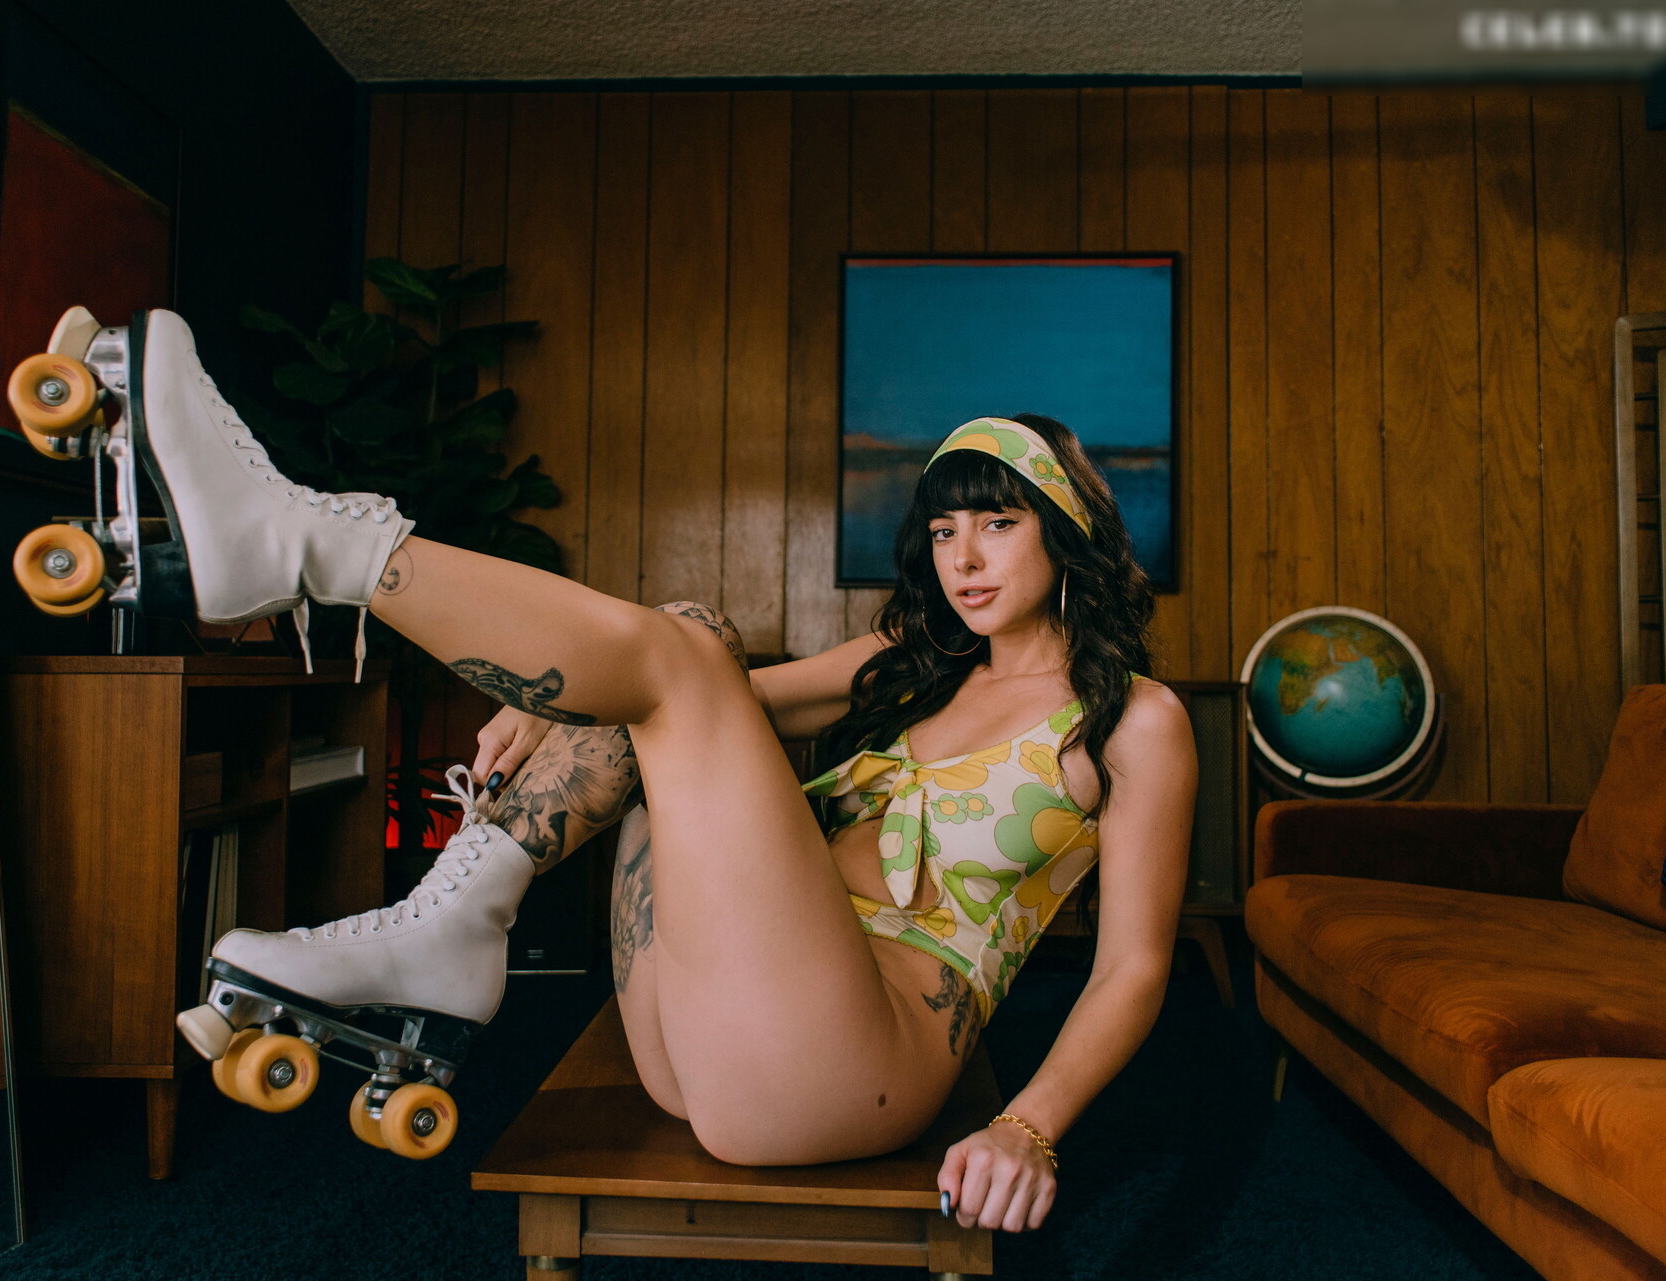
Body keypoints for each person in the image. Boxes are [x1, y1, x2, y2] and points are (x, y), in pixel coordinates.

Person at [138, 309, 1196, 1234]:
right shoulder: (915, 664)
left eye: (1000, 525)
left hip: (852, 1067)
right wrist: (554, 695)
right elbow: (698, 689)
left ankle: (306, 542)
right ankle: (452, 917)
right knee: (694, 634)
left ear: (1067, 533)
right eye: (945, 529)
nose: (964, 558)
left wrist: (1028, 1128)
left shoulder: (1131, 721)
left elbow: (1133, 970)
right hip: (707, 1026)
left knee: (682, 654)